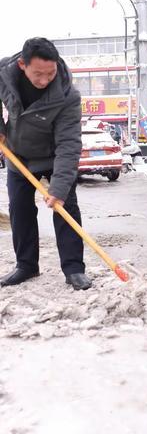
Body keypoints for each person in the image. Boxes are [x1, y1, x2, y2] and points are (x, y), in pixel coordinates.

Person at [0, 37, 91, 290]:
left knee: (66, 208)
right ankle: (26, 266)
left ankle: (74, 268)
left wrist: (59, 190)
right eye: (38, 74)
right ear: (22, 65)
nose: (44, 80)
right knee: (20, 210)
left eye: (49, 73)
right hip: (18, 155)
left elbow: (69, 144)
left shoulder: (66, 95)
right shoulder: (4, 76)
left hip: (54, 156)